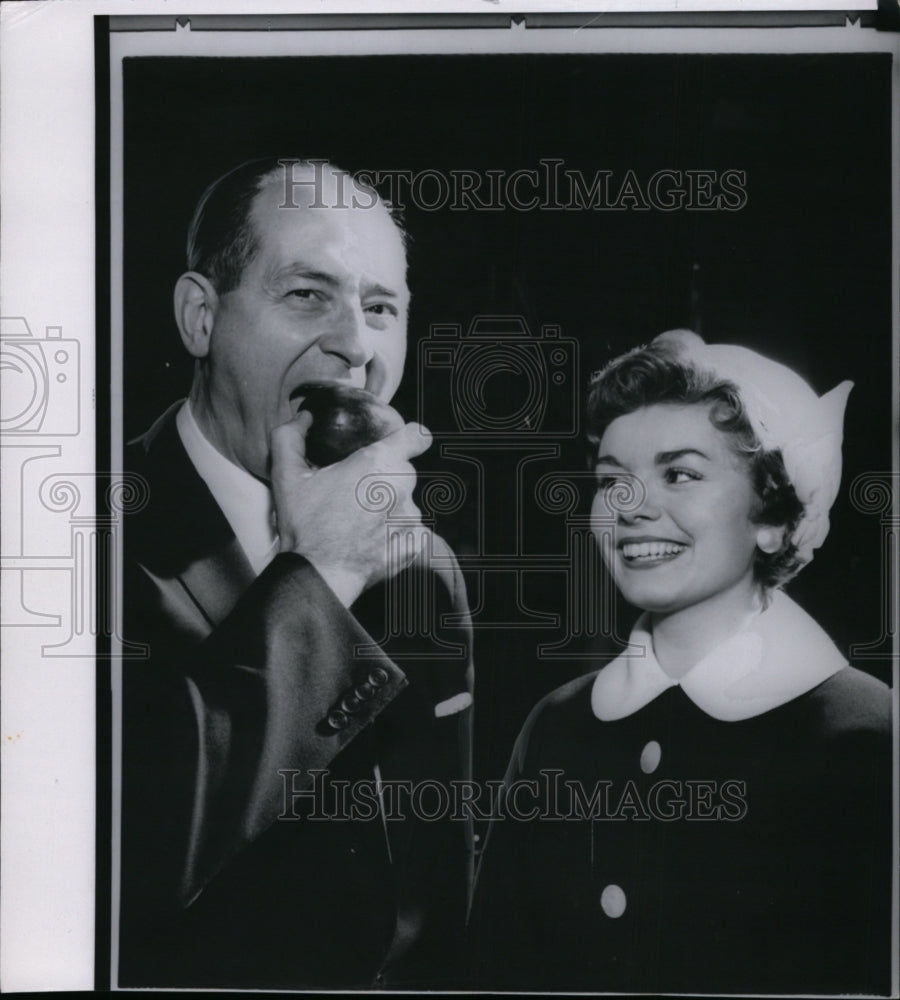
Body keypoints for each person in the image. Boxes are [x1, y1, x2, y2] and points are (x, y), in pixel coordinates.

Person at [118, 158, 474, 990]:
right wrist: (323, 570)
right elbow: (127, 861)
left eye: (380, 308)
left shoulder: (421, 566)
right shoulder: (75, 535)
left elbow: (434, 900)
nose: (356, 345)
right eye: (308, 294)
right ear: (200, 318)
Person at [469, 330, 891, 994]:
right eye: (612, 481)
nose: (630, 508)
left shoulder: (870, 739)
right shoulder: (555, 726)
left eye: (681, 474)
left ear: (773, 517)